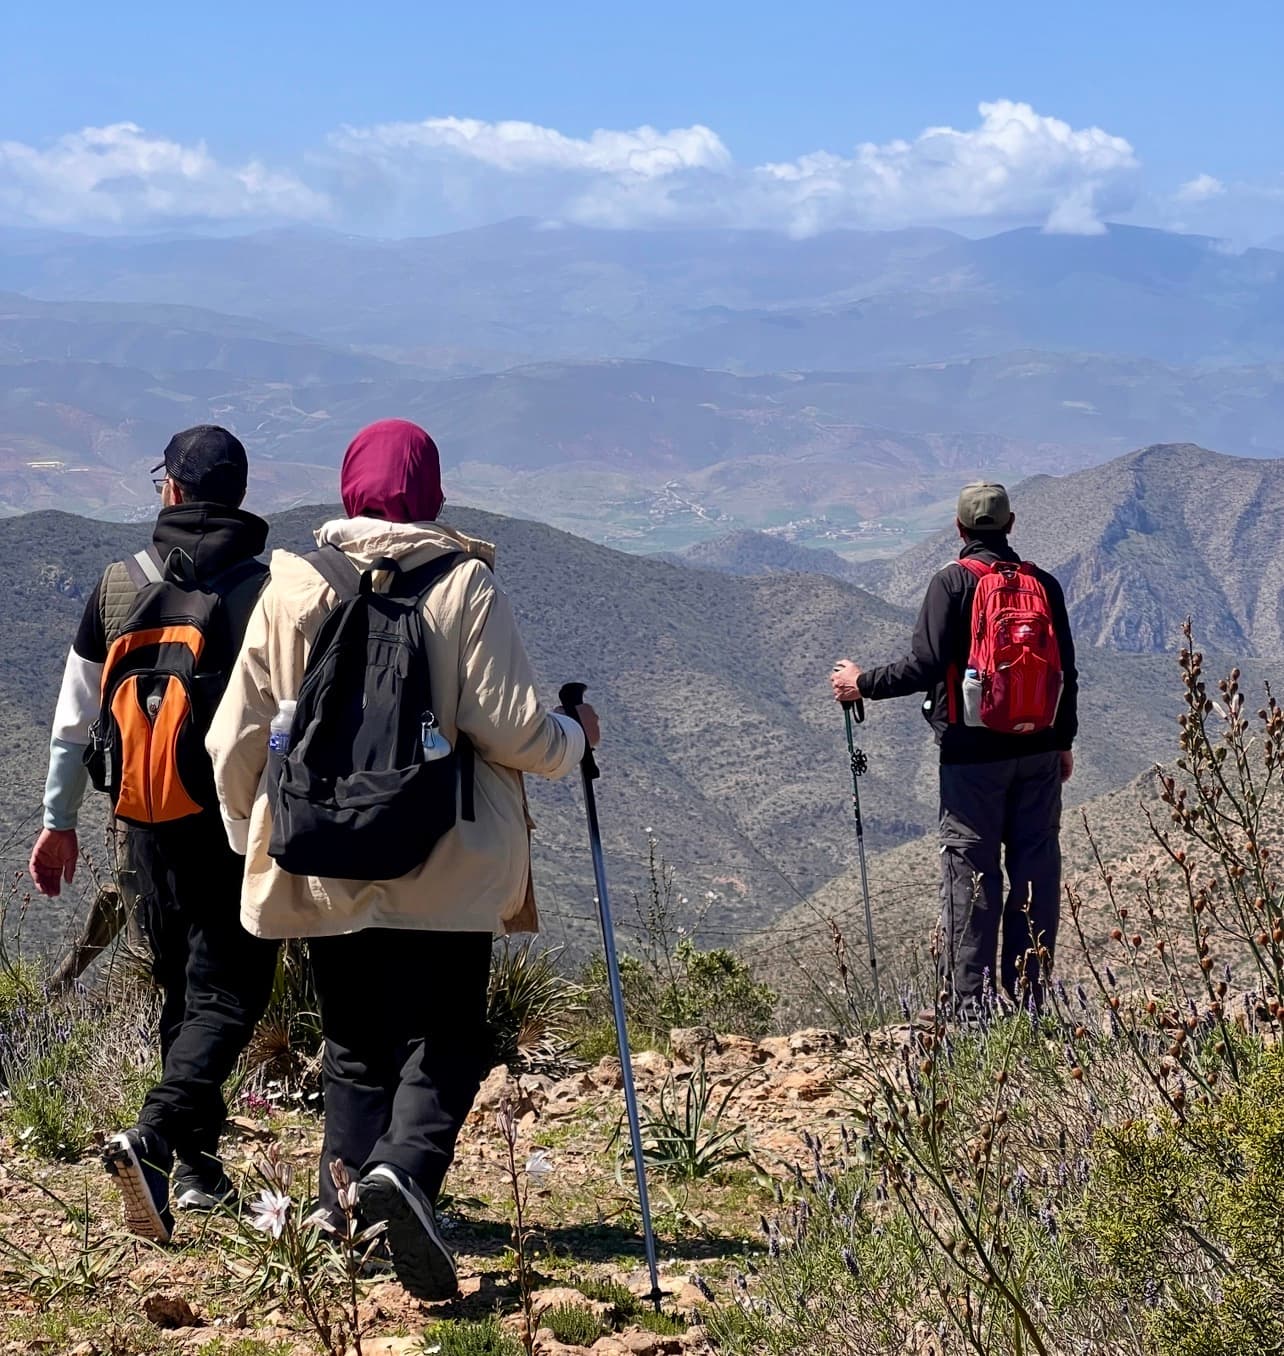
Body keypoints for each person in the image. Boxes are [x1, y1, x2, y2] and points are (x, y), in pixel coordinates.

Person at [207, 417, 597, 1302]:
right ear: (432, 490)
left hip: (320, 854)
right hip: (446, 857)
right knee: (449, 1034)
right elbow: (511, 730)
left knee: (353, 1043)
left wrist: (251, 834)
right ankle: (403, 1178)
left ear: (349, 487)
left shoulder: (292, 586)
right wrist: (575, 739)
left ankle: (341, 1206)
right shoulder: (463, 586)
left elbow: (233, 735)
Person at [29, 426, 280, 1241]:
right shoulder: (268, 590)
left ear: (171, 490)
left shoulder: (115, 587)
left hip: (141, 823)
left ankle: (194, 1169)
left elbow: (74, 723)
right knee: (231, 991)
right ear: (238, 496)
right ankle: (161, 1137)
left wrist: (56, 824)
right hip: (236, 825)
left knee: (182, 985)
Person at [829, 481, 1078, 1014]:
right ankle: (1031, 1000)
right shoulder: (1045, 585)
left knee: (971, 873)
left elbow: (922, 667)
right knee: (1037, 870)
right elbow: (1067, 674)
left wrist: (860, 682)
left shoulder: (953, 584)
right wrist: (1062, 742)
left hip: (970, 760)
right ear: (1011, 525)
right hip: (1037, 750)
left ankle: (973, 1012)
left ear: (960, 529)